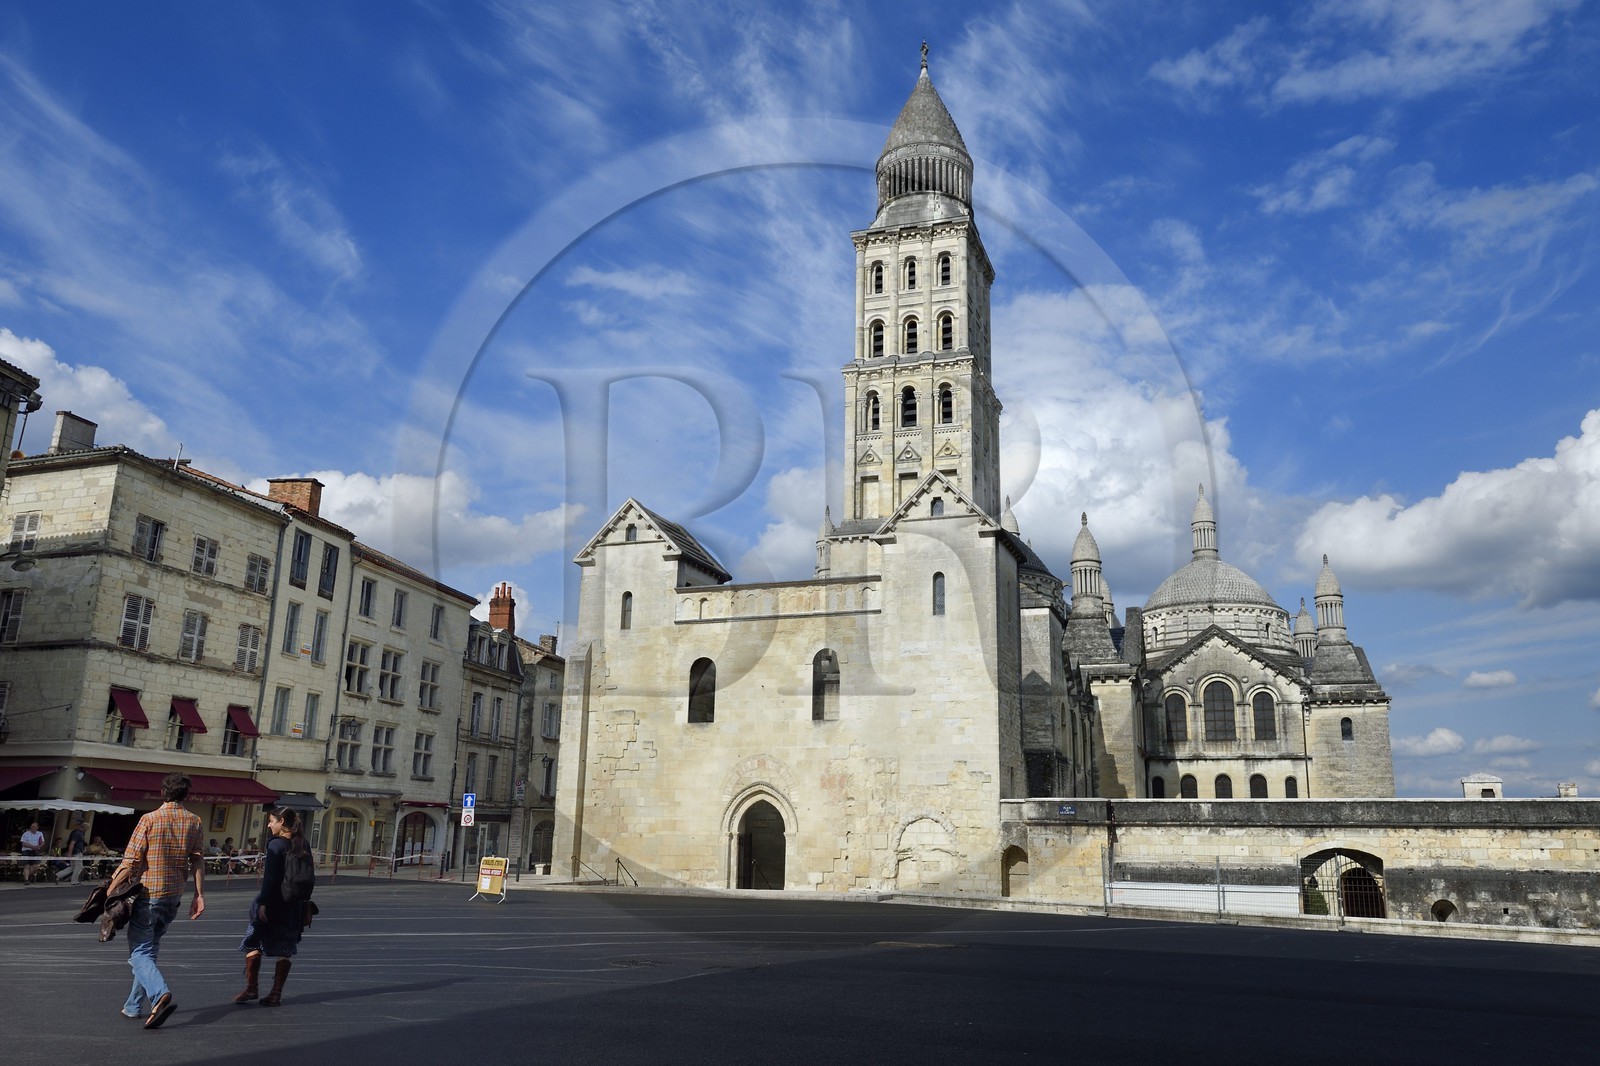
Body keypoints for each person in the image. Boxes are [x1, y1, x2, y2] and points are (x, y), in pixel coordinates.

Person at [108, 773, 205, 1029]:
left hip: (149, 894)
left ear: (163, 793)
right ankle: (132, 1006)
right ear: (186, 795)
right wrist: (199, 894)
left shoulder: (149, 819)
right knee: (149, 951)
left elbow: (130, 861)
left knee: (139, 952)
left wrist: (110, 891)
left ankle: (159, 993)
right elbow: (197, 860)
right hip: (174, 895)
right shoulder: (195, 821)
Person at [234, 807, 308, 1007]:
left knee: (252, 942)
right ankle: (276, 993)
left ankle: (252, 987)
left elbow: (270, 878)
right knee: (285, 949)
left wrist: (263, 903)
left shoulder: (276, 845)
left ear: (281, 821)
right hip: (294, 906)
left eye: (271, 821)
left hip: (273, 903)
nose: (268, 824)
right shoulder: (303, 844)